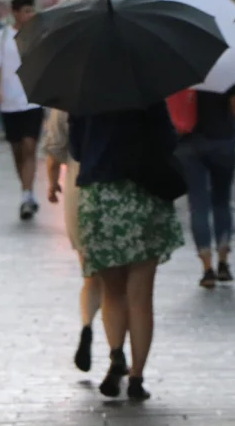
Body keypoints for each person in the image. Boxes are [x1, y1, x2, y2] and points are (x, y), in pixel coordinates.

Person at [68, 104, 185, 401]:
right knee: (141, 296)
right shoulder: (147, 93)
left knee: (112, 291)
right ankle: (136, 378)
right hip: (142, 195)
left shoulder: (84, 96)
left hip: (100, 198)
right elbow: (168, 141)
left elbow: (78, 151)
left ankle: (116, 354)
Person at [41, 108, 102, 372]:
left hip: (79, 186)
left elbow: (55, 151)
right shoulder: (129, 88)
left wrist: (53, 183)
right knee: (119, 282)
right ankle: (117, 352)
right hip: (121, 182)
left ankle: (87, 326)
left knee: (91, 275)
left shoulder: (65, 96)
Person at [174, 86, 235, 288]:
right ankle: (223, 262)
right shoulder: (225, 66)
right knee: (221, 201)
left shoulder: (183, 71)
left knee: (198, 204)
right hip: (222, 140)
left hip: (188, 142)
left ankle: (206, 268)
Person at [0, 0, 44, 219]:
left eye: (32, 11)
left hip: (33, 100)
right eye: (26, 11)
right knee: (18, 150)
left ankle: (27, 195)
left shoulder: (37, 37)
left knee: (30, 146)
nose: (30, 15)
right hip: (9, 102)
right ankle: (26, 190)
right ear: (15, 13)